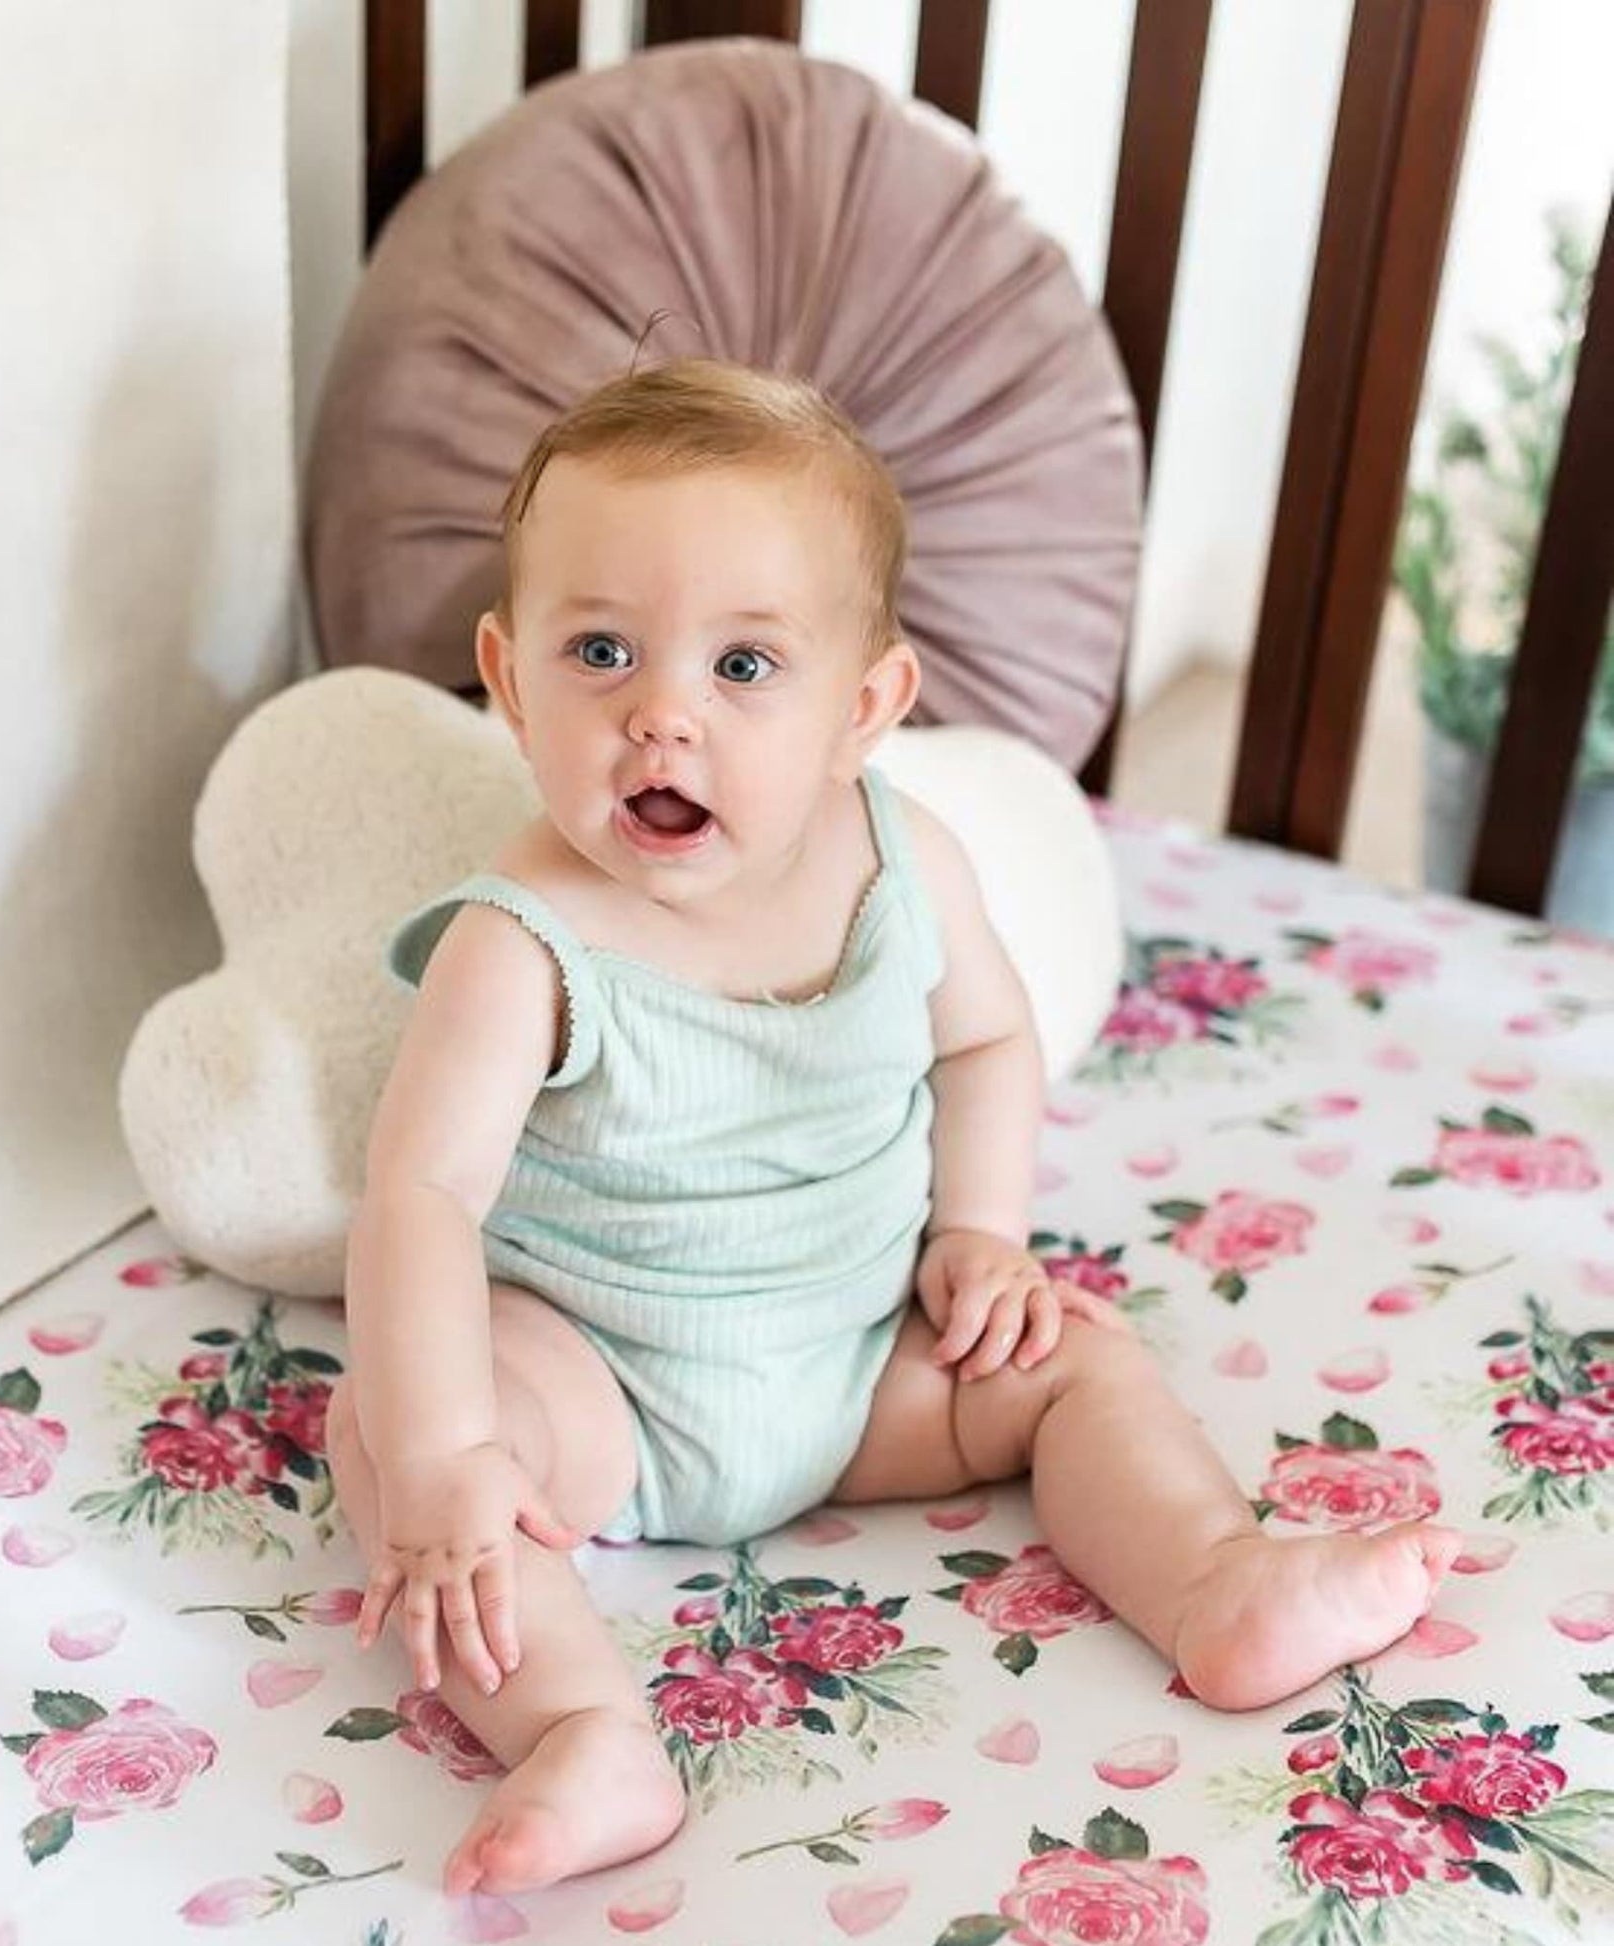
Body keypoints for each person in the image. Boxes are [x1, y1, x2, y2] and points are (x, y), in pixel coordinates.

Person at [326, 358, 1460, 1899]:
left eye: (743, 667)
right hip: (601, 1387)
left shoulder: (907, 861)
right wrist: (454, 1447)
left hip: (864, 1361)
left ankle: (1213, 1579)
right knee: (393, 1456)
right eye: (600, 651)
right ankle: (583, 1729)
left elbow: (990, 1037)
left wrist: (980, 1235)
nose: (661, 713)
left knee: (1069, 1352)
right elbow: (422, 1195)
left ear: (864, 707)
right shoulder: (519, 942)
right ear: (509, 678)